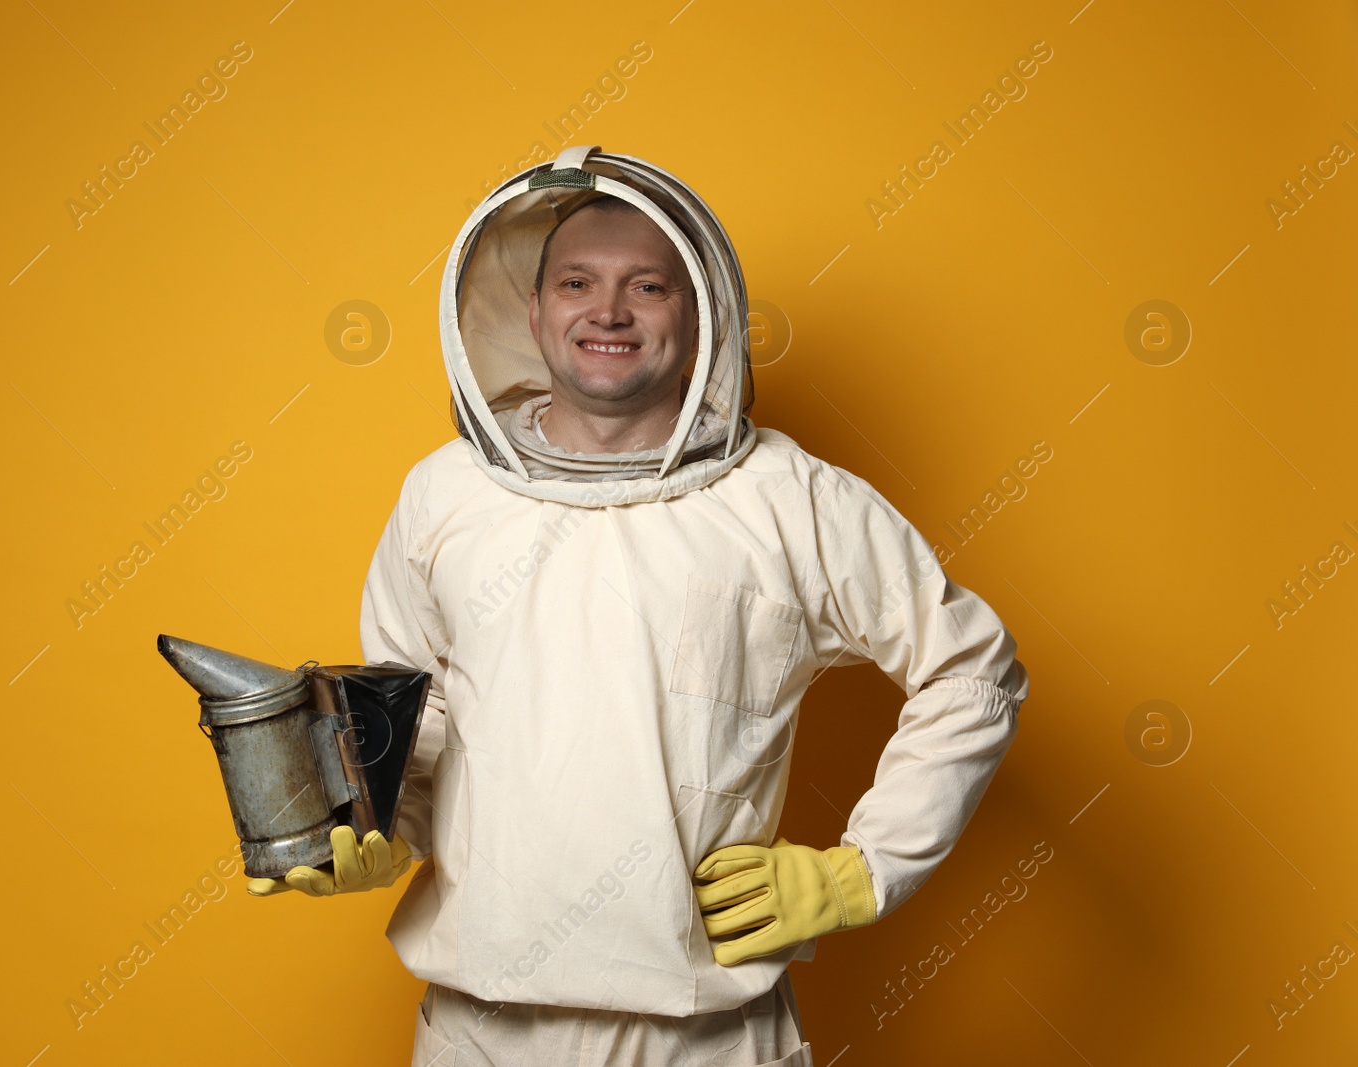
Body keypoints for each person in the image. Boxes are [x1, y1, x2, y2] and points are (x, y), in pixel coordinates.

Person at [247, 146, 1030, 1067]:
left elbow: (973, 671)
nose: (608, 310)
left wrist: (863, 870)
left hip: (709, 1039)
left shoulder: (792, 500)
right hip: (479, 1034)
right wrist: (374, 819)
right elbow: (419, 717)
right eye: (577, 281)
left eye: (648, 286)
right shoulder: (443, 495)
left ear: (700, 318)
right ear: (533, 312)